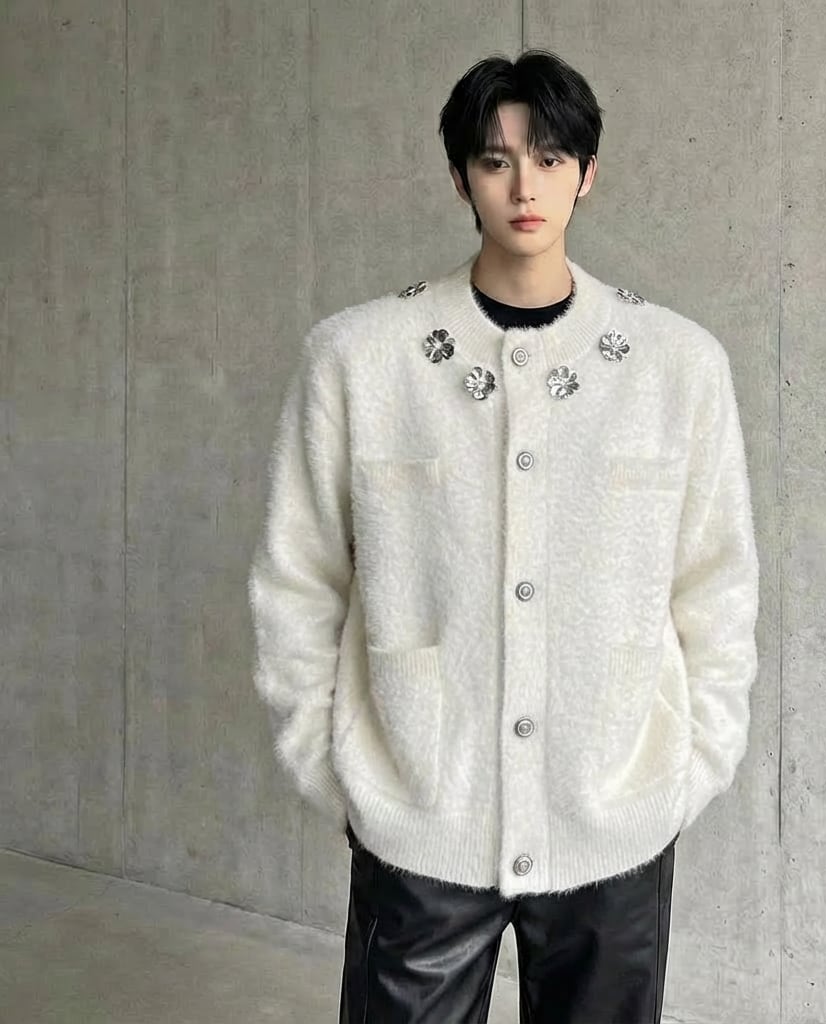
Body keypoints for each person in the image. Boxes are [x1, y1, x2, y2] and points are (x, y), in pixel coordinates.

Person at [248, 48, 760, 1024]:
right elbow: (298, 577)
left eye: (551, 158)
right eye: (495, 160)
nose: (525, 187)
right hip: (421, 821)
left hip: (615, 821)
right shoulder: (360, 359)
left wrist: (690, 768)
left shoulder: (676, 367)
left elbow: (716, 585)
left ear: (588, 173)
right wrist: (338, 766)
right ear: (460, 178)